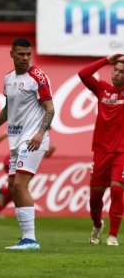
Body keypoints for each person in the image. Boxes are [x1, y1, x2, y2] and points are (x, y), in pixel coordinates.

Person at [0, 38, 54, 250]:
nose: (25, 58)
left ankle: (31, 239)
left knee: (20, 185)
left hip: (33, 140)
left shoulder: (37, 77)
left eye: (28, 54)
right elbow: (7, 109)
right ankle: (26, 238)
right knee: (12, 187)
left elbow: (50, 108)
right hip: (16, 140)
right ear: (11, 54)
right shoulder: (8, 79)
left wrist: (41, 132)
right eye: (21, 54)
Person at [78, 54, 124, 246]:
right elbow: (83, 74)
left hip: (121, 152)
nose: (117, 74)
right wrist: (106, 60)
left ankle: (113, 236)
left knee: (116, 189)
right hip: (100, 151)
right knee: (95, 198)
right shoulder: (102, 89)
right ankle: (97, 225)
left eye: (122, 72)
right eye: (116, 70)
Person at [0, 131, 56, 219]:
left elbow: (45, 155)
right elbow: (6, 133)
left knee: (15, 191)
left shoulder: (41, 137)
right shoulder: (29, 130)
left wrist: (51, 151)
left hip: (13, 161)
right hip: (16, 162)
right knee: (20, 188)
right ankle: (4, 191)